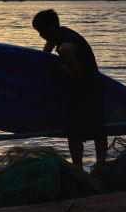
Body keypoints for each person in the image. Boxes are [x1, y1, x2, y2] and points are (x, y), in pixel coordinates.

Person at [32, 9, 107, 169]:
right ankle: (97, 165)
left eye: (41, 32)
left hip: (87, 88)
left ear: (51, 28)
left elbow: (77, 75)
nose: (40, 36)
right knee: (97, 128)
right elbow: (50, 44)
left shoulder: (66, 47)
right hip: (92, 84)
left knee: (75, 131)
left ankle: (82, 168)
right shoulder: (62, 33)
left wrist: (60, 67)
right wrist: (43, 58)